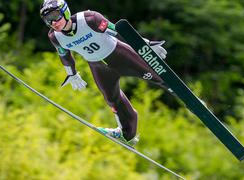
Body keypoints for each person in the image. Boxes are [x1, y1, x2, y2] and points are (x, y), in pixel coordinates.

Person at [40, 0, 173, 146]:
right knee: (112, 99)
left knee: (158, 76)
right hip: (98, 66)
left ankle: (188, 98)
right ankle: (127, 134)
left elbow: (119, 32)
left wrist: (144, 45)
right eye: (48, 20)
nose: (53, 22)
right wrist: (72, 73)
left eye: (55, 16)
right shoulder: (54, 36)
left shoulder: (90, 19)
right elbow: (64, 55)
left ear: (65, 12)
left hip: (119, 54)